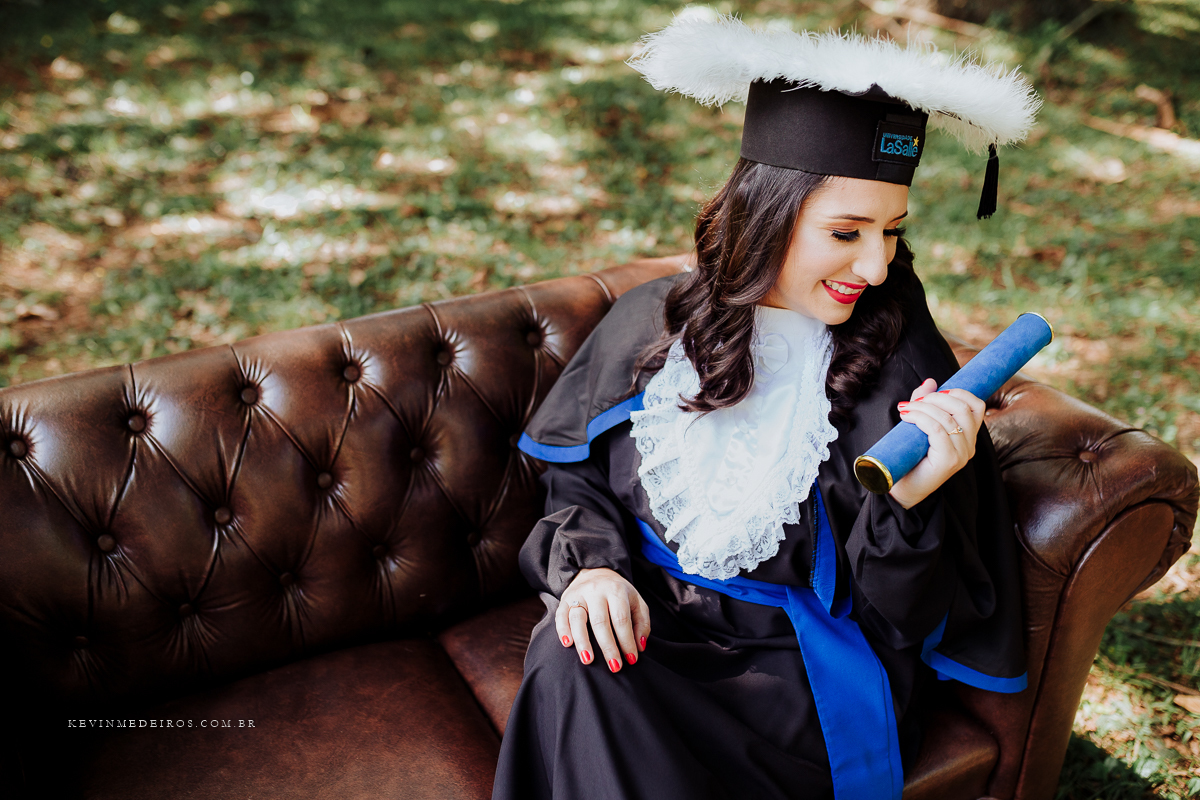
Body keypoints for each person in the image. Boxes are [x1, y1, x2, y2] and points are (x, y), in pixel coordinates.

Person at [494, 16, 1041, 800]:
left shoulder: (902, 375)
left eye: (892, 232)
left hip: (792, 677)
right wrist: (593, 573)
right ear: (765, 215)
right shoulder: (651, 326)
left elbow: (904, 619)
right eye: (846, 231)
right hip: (652, 621)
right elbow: (576, 481)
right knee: (574, 650)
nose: (877, 265)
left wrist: (915, 502)